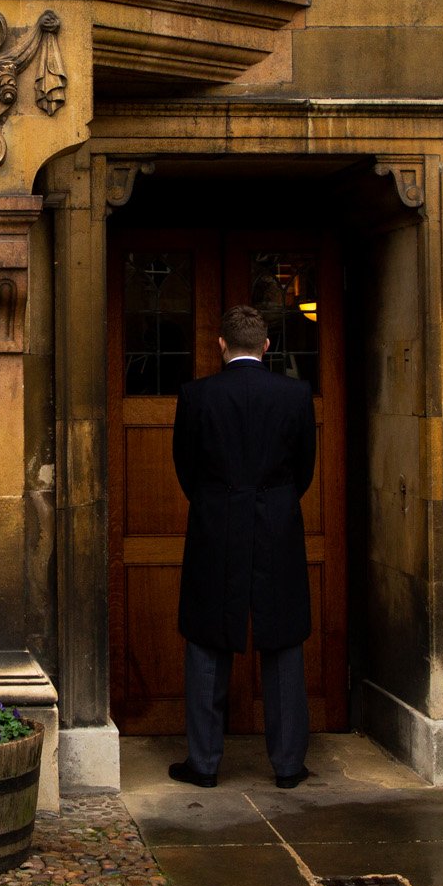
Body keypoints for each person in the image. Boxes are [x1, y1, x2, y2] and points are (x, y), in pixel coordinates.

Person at [168, 304, 318, 791]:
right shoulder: (295, 394)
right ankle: (289, 764)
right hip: (277, 523)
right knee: (282, 638)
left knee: (209, 636)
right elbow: (305, 470)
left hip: (215, 521)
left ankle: (204, 762)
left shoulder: (197, 395)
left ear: (222, 344)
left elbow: (185, 468)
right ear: (266, 346)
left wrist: (219, 501)